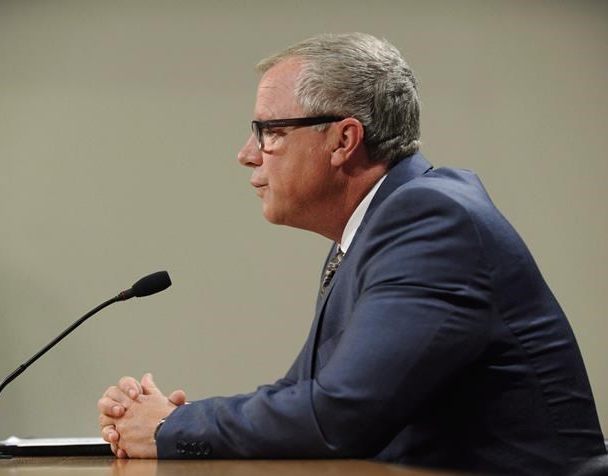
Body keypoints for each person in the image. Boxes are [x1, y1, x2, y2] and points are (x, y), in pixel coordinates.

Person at [97, 33, 605, 474]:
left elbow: (337, 416)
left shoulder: (430, 222)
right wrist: (168, 420)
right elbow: (301, 394)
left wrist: (170, 427)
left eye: (270, 132)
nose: (247, 154)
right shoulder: (376, 227)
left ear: (343, 140)